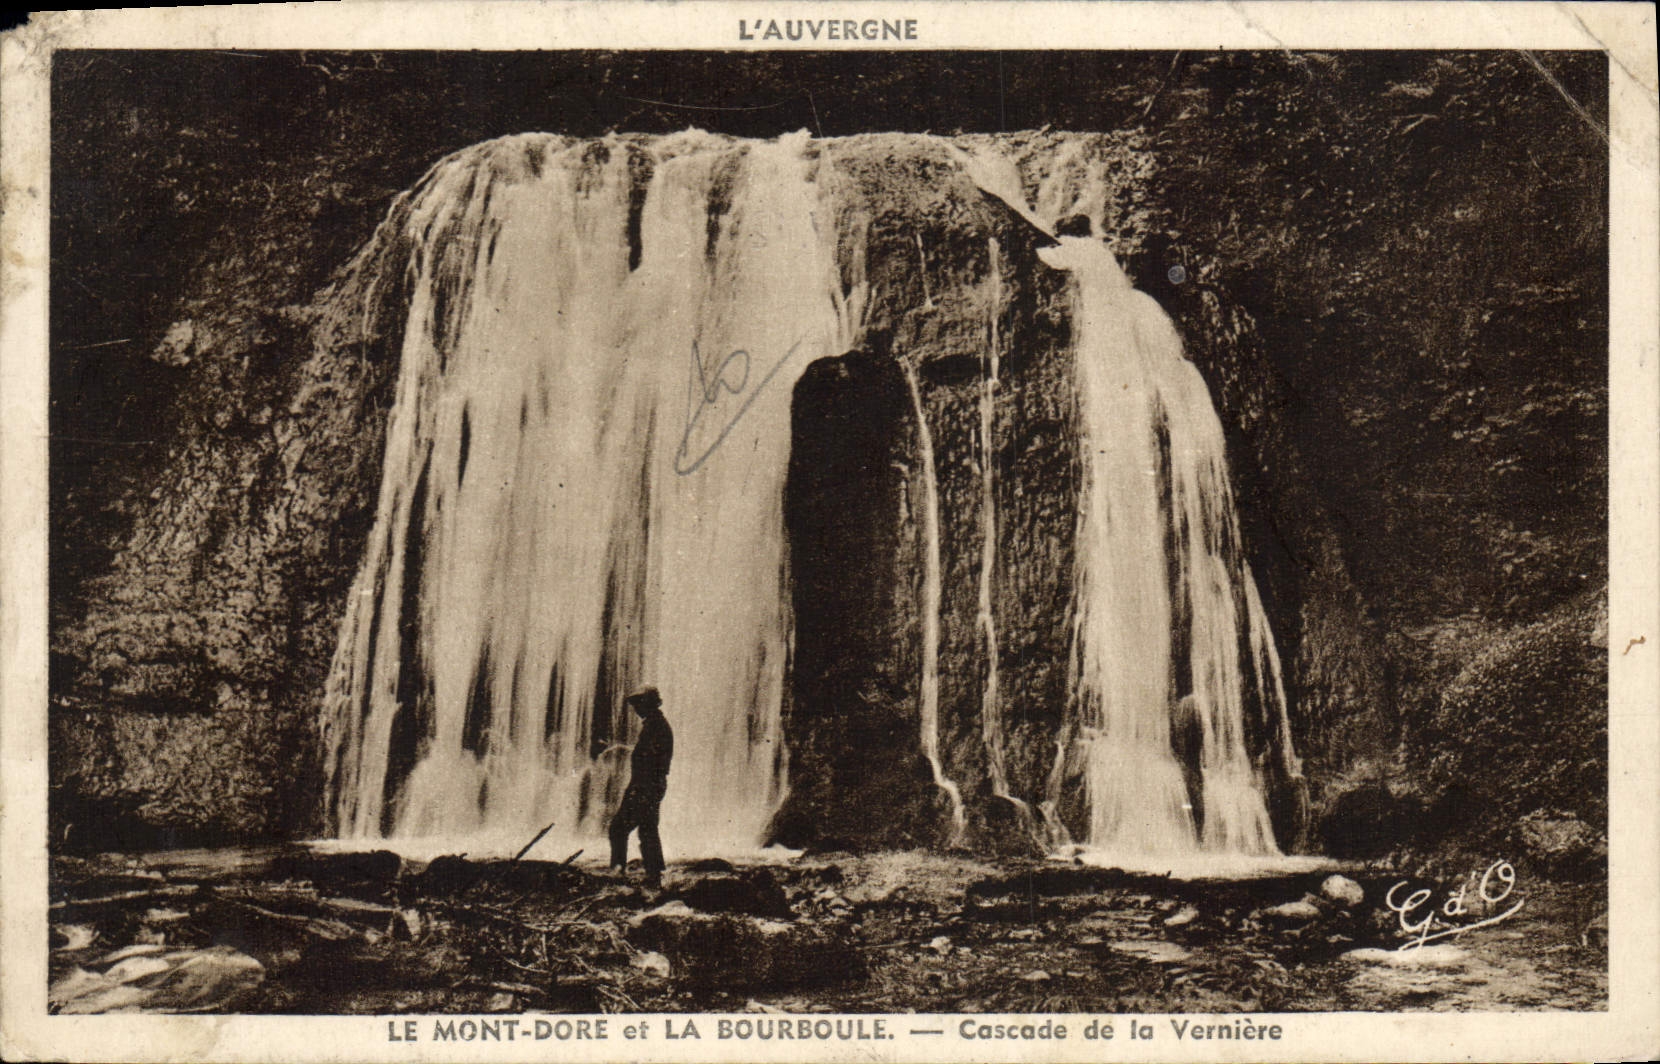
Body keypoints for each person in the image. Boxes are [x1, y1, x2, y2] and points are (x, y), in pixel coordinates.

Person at [608, 686, 673, 888]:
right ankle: (654, 873)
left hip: (646, 785)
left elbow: (651, 761)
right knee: (647, 829)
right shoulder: (656, 725)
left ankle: (619, 871)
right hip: (650, 785)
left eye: (639, 704)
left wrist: (638, 789)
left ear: (650, 704)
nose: (636, 709)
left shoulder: (655, 727)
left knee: (619, 828)